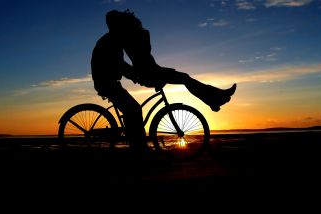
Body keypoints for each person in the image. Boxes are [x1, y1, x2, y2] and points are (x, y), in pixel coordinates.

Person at [91, 9, 236, 153]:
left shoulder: (115, 39)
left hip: (113, 81)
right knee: (134, 110)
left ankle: (214, 98)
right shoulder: (111, 41)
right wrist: (137, 76)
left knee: (183, 78)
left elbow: (130, 62)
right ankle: (139, 149)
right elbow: (120, 65)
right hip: (107, 83)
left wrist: (137, 74)